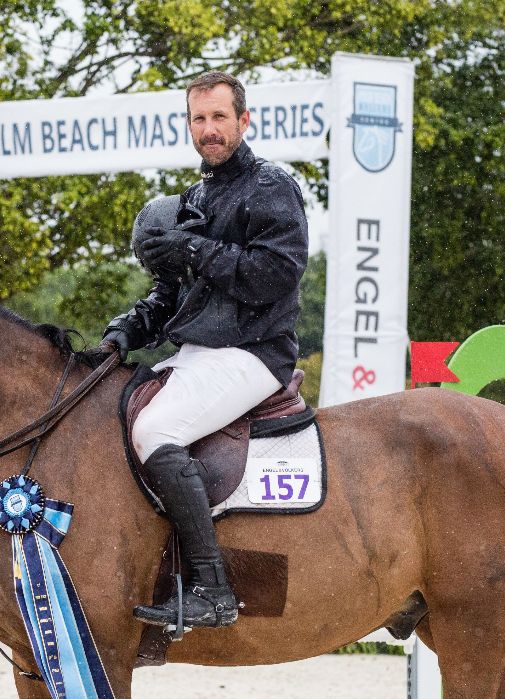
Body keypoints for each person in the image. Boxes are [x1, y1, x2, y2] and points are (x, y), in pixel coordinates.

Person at [90, 71, 308, 629]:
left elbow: (272, 277)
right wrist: (123, 334)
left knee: (156, 431)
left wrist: (192, 246)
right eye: (199, 119)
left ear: (244, 120)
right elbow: (170, 298)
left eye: (219, 117)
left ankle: (214, 591)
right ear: (189, 124)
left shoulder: (272, 187)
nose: (209, 130)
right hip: (198, 352)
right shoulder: (194, 196)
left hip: (255, 353)